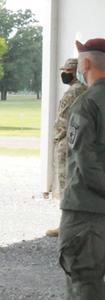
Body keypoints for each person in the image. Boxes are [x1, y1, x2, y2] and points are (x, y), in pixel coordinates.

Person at [45, 38, 105, 300]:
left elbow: (84, 159)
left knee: (83, 271)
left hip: (88, 207)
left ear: (84, 65)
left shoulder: (86, 104)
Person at [47, 58, 87, 237]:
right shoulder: (88, 89)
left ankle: (66, 225)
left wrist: (56, 139)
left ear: (74, 72)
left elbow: (62, 120)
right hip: (81, 141)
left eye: (66, 71)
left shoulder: (73, 91)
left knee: (65, 183)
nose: (64, 74)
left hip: (66, 142)